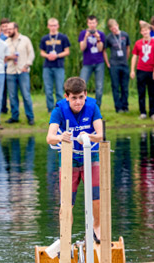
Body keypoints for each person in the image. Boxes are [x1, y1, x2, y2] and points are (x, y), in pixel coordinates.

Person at [46, 77, 103, 243]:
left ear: (85, 95)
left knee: (96, 197)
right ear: (66, 96)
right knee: (66, 202)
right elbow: (49, 138)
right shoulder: (59, 111)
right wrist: (60, 137)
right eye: (74, 98)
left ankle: (96, 229)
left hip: (90, 157)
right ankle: (65, 237)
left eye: (81, 97)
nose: (78, 102)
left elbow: (101, 135)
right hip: (69, 160)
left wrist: (89, 136)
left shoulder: (92, 107)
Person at [130, 21, 154, 121]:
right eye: (143, 31)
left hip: (151, 70)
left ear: (150, 31)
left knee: (152, 92)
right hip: (141, 70)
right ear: (141, 32)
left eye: (147, 30)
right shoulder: (138, 43)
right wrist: (132, 70)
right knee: (141, 92)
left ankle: (152, 113)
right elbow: (134, 56)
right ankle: (143, 112)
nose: (145, 32)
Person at [5, 22, 35, 125]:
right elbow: (3, 58)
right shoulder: (6, 42)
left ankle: (30, 117)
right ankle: (14, 116)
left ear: (16, 29)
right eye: (7, 29)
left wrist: (26, 66)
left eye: (10, 29)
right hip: (10, 71)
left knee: (26, 95)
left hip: (22, 71)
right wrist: (10, 57)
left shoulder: (25, 40)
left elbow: (31, 54)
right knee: (12, 96)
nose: (7, 31)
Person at [40, 18, 71, 113]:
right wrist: (47, 56)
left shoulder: (63, 37)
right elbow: (42, 52)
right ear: (48, 26)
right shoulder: (45, 38)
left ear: (58, 26)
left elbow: (67, 51)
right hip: (47, 66)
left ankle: (59, 109)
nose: (53, 27)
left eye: (55, 25)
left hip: (59, 66)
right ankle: (50, 109)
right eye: (51, 25)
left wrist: (56, 55)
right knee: (48, 89)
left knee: (59, 90)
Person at [103, 19, 130, 113]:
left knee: (125, 87)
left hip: (124, 64)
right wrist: (108, 63)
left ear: (118, 25)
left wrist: (126, 59)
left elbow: (128, 47)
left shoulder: (125, 35)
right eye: (112, 29)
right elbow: (104, 50)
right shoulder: (109, 37)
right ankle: (118, 107)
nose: (114, 30)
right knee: (115, 86)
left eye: (115, 28)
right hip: (114, 65)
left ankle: (125, 106)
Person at [79, 15, 105, 108]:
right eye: (90, 23)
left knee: (99, 86)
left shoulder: (101, 34)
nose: (92, 25)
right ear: (87, 23)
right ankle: (82, 105)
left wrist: (98, 38)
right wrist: (86, 37)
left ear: (96, 23)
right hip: (87, 63)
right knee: (81, 84)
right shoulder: (83, 33)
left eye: (93, 23)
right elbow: (82, 48)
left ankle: (97, 107)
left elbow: (100, 49)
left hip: (99, 63)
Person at [0, 17, 10, 114]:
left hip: (11, 67)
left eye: (7, 26)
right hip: (2, 66)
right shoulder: (0, 37)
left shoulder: (12, 36)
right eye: (3, 26)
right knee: (2, 89)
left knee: (11, 89)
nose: (5, 28)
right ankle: (3, 107)